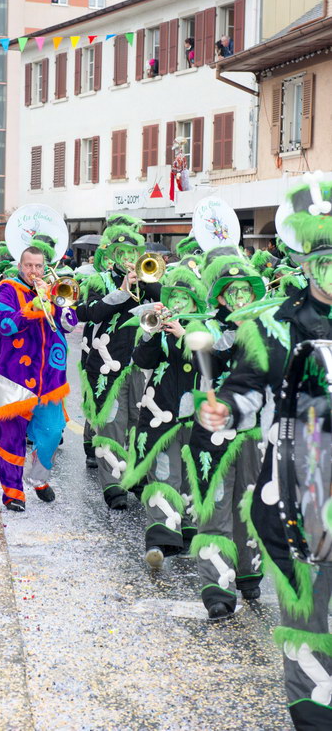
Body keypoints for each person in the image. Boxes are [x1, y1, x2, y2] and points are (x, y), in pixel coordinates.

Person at [199, 175, 332, 729]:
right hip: (303, 491)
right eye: (324, 261)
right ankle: (315, 713)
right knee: (309, 607)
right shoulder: (275, 327)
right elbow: (249, 388)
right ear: (306, 263)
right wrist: (227, 409)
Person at [183, 246, 265, 619]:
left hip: (250, 430)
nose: (240, 296)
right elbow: (206, 357)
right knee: (214, 509)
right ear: (219, 296)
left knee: (248, 505)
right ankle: (217, 589)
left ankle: (248, 573)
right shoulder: (205, 326)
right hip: (212, 430)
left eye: (245, 290)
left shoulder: (264, 326)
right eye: (232, 291)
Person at [122, 256, 208, 566]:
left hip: (197, 417)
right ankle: (159, 540)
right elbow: (142, 361)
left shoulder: (206, 328)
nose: (178, 304)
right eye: (174, 298)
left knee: (190, 476)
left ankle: (187, 532)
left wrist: (185, 336)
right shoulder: (161, 327)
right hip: (162, 412)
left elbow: (210, 366)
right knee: (163, 473)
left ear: (194, 302)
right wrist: (151, 333)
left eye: (185, 299)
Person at [0, 246, 77, 512]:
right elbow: (4, 324)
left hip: (50, 378)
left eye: (39, 266)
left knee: (52, 432)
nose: (34, 271)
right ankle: (13, 493)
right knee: (10, 436)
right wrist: (31, 307)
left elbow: (70, 324)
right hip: (15, 376)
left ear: (45, 267)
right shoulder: (8, 289)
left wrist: (56, 300)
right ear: (21, 266)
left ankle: (38, 478)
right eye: (29, 266)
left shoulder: (53, 289)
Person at [77, 214, 160, 509]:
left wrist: (148, 282)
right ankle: (113, 486)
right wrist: (123, 290)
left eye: (132, 253)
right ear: (111, 255)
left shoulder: (149, 280)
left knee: (139, 423)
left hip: (139, 365)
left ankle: (136, 476)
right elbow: (91, 312)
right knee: (111, 425)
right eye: (121, 253)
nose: (128, 259)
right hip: (106, 363)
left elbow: (164, 303)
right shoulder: (96, 281)